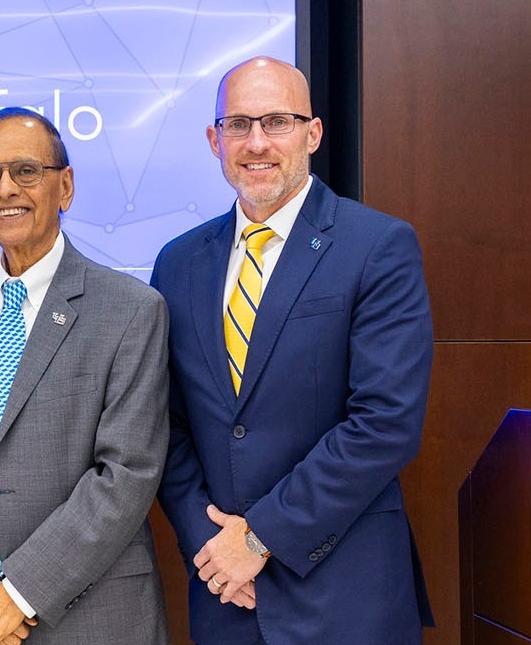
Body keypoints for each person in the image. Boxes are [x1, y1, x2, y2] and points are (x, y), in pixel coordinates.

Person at [152, 56, 434, 645]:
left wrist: (259, 538)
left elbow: (385, 424)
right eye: (238, 124)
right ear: (214, 139)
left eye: (277, 122)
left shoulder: (378, 246)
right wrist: (212, 549)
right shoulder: (177, 263)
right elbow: (165, 425)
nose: (256, 142)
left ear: (313, 133)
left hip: (346, 597)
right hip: (226, 597)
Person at [0, 108, 170, 645]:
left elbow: (126, 472)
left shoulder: (132, 310)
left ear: (64, 186)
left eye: (26, 171)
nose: (5, 190)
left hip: (92, 618)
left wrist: (17, 594)